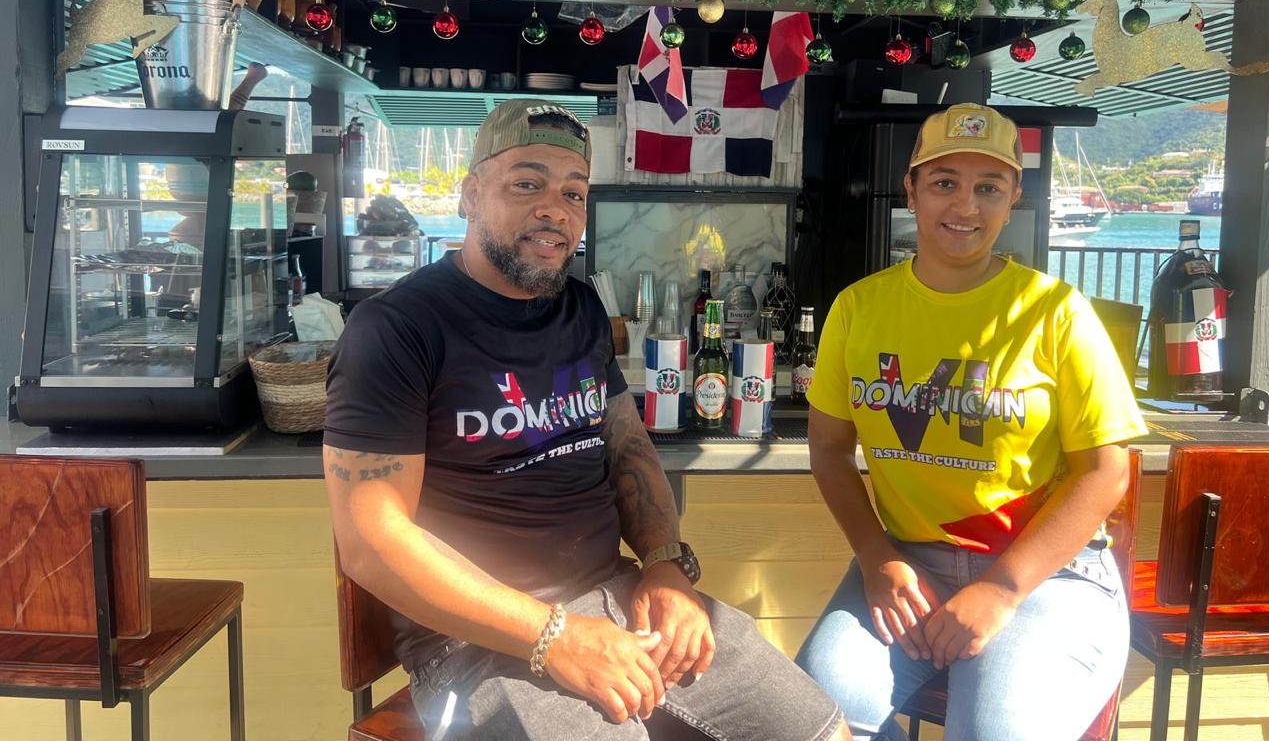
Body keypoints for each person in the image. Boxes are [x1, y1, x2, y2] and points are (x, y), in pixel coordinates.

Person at [324, 98, 848, 741]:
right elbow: (371, 542)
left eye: (574, 193)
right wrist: (556, 636)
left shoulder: (581, 310)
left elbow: (628, 447)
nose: (556, 209)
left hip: (616, 597)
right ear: (470, 193)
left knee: (821, 730)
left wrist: (664, 565)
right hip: (475, 643)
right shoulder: (394, 329)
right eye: (528, 184)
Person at [795, 102, 1146, 741]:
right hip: (908, 565)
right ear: (911, 191)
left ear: (1013, 199)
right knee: (809, 721)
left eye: (988, 187)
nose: (965, 205)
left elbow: (1106, 471)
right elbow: (828, 448)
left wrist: (1003, 590)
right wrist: (875, 558)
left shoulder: (1056, 311)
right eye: (944, 182)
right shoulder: (858, 308)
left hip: (1044, 575)